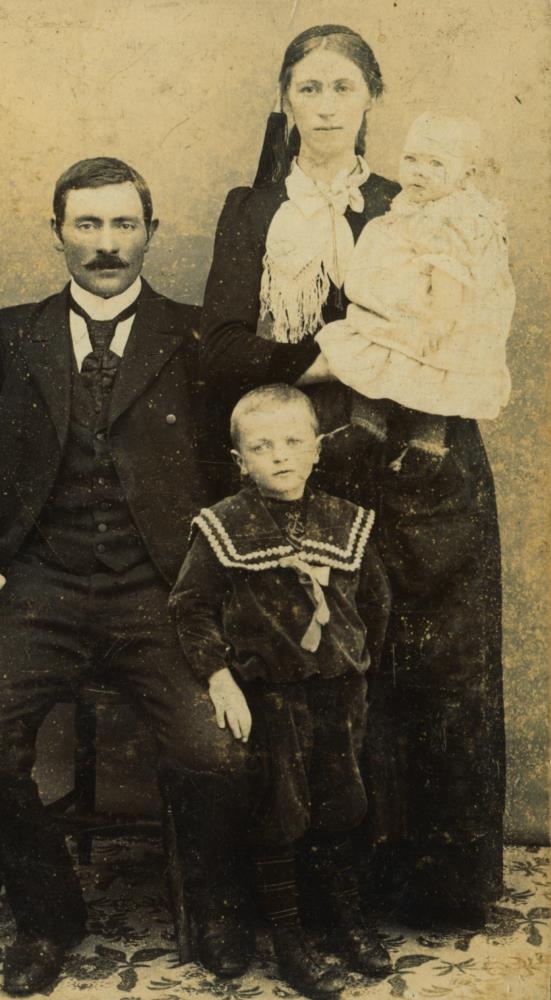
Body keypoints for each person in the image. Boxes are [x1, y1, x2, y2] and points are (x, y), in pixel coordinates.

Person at [0, 157, 254, 996]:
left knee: (218, 753)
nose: (106, 244)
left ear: (151, 233)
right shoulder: (9, 335)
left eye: (124, 224)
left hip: (161, 595)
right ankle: (50, 913)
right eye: (86, 224)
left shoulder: (196, 338)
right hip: (34, 594)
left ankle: (212, 907)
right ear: (56, 232)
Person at [200, 24, 506, 929]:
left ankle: (433, 886)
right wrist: (335, 361)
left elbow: (466, 313)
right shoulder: (253, 210)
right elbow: (222, 352)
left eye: (343, 87)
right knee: (325, 665)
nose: (326, 106)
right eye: (308, 88)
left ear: (372, 98)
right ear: (284, 100)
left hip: (420, 458)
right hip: (309, 463)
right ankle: (328, 893)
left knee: (433, 665)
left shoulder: (415, 198)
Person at [171, 385, 393, 999]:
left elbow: (375, 604)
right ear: (240, 460)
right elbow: (189, 607)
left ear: (318, 449)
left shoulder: (346, 522)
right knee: (281, 813)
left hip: (339, 696)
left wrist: (358, 666)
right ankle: (289, 939)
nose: (280, 456)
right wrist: (219, 675)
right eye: (262, 446)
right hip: (271, 699)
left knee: (344, 804)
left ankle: (345, 921)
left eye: (294, 442)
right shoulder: (224, 526)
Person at [316, 111, 515, 469]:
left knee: (432, 378)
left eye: (436, 163)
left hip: (433, 314)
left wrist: (439, 322)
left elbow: (450, 271)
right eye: (411, 159)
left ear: (465, 176)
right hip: (401, 306)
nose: (420, 171)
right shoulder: (417, 202)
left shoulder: (453, 215)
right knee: (375, 356)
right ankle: (367, 425)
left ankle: (426, 444)